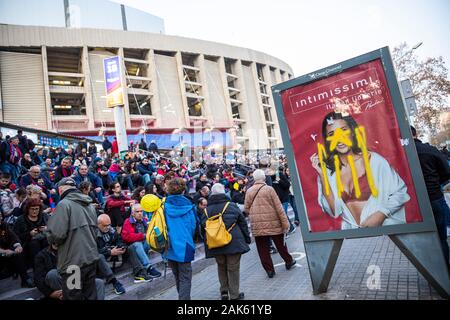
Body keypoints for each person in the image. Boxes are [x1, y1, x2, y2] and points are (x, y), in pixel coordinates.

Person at [310, 111, 410, 229]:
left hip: (384, 230)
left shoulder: (374, 161)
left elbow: (400, 192)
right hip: (354, 236)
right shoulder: (327, 172)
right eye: (332, 134)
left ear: (352, 131)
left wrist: (381, 214)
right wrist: (322, 175)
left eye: (343, 130)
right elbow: (334, 211)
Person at [46, 177, 100, 300]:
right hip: (91, 260)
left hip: (73, 265)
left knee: (73, 296)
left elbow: (57, 235)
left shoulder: (64, 204)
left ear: (60, 190)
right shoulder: (89, 205)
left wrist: (51, 241)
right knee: (91, 295)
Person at [201, 183, 251, 300]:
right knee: (233, 268)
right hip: (233, 241)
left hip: (215, 243)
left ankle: (224, 291)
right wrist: (247, 238)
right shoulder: (231, 205)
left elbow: (203, 228)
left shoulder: (206, 210)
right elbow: (242, 223)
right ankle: (234, 295)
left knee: (221, 266)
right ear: (224, 192)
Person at [244, 169, 295, 278]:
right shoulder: (269, 189)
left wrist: (255, 215)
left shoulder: (249, 191)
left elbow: (246, 209)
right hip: (273, 222)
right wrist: (285, 224)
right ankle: (289, 261)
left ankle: (269, 270)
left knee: (262, 249)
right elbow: (279, 207)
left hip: (258, 225)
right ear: (263, 178)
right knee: (281, 244)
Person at [411, 126, 450, 270]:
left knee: (421, 239)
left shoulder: (400, 154)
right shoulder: (430, 150)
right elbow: (446, 173)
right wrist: (435, 184)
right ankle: (445, 271)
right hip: (434, 198)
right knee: (440, 238)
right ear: (416, 134)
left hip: (414, 204)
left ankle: (434, 272)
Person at [163, 178, 198, 300]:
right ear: (183, 190)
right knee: (185, 278)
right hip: (185, 245)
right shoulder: (189, 206)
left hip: (169, 245)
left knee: (178, 276)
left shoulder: (163, 206)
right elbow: (193, 227)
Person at [34, 243, 105, 300]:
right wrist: (50, 293)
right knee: (52, 274)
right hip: (59, 285)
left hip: (76, 281)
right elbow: (38, 279)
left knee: (99, 283)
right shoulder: (42, 255)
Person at [121, 203, 162, 280]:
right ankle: (148, 267)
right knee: (138, 243)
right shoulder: (128, 222)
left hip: (142, 245)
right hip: (131, 248)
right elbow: (127, 237)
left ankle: (164, 258)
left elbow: (149, 234)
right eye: (137, 211)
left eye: (141, 211)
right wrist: (143, 235)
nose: (140, 213)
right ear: (133, 213)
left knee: (150, 239)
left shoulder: (144, 220)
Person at [0, 212, 34, 287]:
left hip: (7, 254)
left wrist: (18, 245)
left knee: (19, 251)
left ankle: (25, 279)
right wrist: (4, 251)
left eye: (0, 216)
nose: (0, 218)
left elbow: (13, 237)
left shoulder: (3, 225)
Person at [13, 198, 49, 268]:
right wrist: (29, 234)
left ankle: (48, 266)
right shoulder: (20, 219)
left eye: (36, 209)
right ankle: (38, 268)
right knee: (34, 243)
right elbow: (15, 236)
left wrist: (47, 228)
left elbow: (53, 228)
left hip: (44, 241)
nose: (34, 211)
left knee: (47, 242)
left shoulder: (44, 216)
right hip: (28, 245)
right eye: (32, 209)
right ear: (27, 209)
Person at [96, 214, 126, 295]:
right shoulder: (93, 234)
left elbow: (119, 240)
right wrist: (109, 252)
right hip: (102, 262)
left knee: (132, 247)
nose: (108, 227)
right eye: (105, 225)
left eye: (109, 224)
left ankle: (141, 271)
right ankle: (114, 282)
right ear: (98, 225)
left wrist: (122, 247)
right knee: (99, 256)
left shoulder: (111, 230)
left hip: (115, 257)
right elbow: (93, 252)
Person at [272, 166, 296, 234]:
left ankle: (289, 229)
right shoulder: (270, 178)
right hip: (277, 199)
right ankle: (291, 228)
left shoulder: (280, 174)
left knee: (284, 214)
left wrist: (279, 180)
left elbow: (287, 185)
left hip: (284, 198)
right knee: (283, 214)